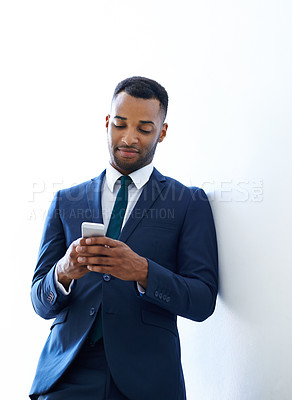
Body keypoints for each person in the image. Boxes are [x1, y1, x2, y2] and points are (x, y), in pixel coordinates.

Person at [29, 76, 218, 400]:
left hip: (148, 380)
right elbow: (38, 300)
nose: (129, 138)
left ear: (162, 131)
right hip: (66, 375)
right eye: (120, 124)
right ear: (107, 123)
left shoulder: (188, 202)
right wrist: (62, 273)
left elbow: (202, 300)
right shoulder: (66, 201)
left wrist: (143, 271)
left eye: (144, 129)